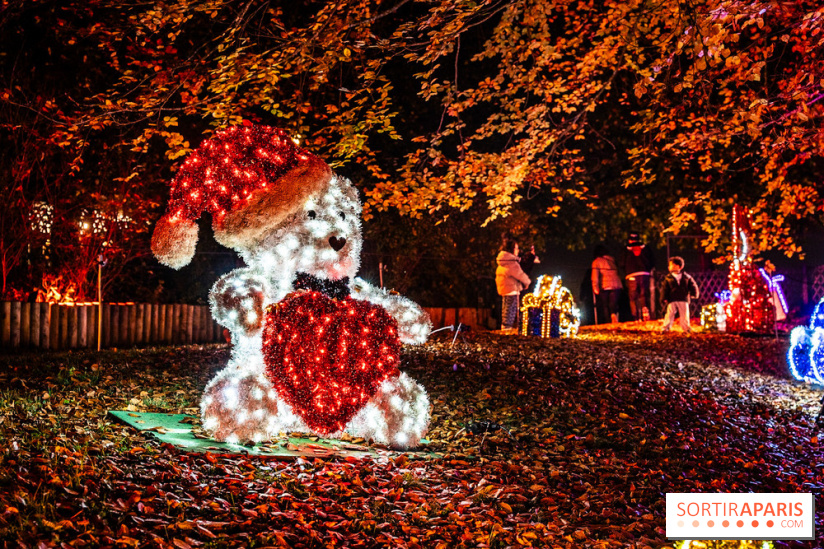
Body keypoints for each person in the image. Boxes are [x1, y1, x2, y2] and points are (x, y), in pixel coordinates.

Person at [496, 238, 530, 333]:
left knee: (506, 308)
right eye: (516, 248)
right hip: (512, 289)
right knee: (511, 310)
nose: (518, 250)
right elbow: (520, 275)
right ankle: (507, 329)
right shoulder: (512, 263)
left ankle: (505, 327)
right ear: (511, 249)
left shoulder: (503, 261)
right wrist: (527, 282)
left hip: (505, 289)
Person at [620, 232, 654, 321]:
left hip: (631, 274)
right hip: (644, 274)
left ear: (629, 240)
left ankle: (635, 316)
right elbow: (652, 260)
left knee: (633, 297)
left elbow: (621, 263)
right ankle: (645, 311)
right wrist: (648, 270)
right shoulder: (646, 248)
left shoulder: (625, 250)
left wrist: (625, 273)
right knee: (644, 294)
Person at [660, 256, 700, 332]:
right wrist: (663, 297)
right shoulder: (668, 278)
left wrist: (694, 293)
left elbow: (693, 285)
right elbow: (665, 289)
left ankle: (686, 328)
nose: (670, 267)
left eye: (672, 265)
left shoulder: (686, 277)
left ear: (679, 266)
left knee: (684, 314)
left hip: (683, 298)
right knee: (669, 314)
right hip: (672, 298)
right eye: (670, 265)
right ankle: (665, 328)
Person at [591, 245, 622, 324]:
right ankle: (613, 315)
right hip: (616, 283)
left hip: (604, 284)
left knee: (605, 305)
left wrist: (595, 286)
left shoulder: (596, 262)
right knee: (613, 303)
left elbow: (595, 275)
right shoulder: (612, 260)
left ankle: (608, 321)